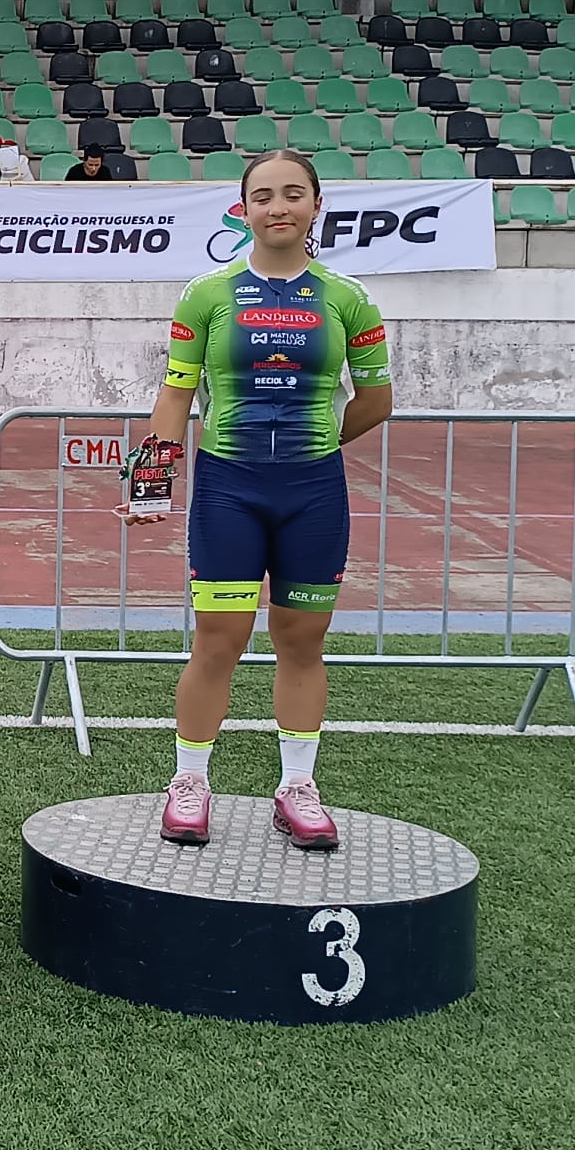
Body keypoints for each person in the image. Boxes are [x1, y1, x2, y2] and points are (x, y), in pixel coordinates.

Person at [130, 150, 392, 852]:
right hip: (228, 489)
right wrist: (151, 484)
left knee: (301, 642)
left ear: (315, 205)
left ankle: (297, 786)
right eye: (264, 196)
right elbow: (177, 394)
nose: (279, 207)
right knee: (220, 640)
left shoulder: (349, 298)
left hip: (314, 492)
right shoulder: (206, 294)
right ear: (242, 209)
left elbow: (377, 398)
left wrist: (315, 445)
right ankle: (189, 783)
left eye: (294, 194)